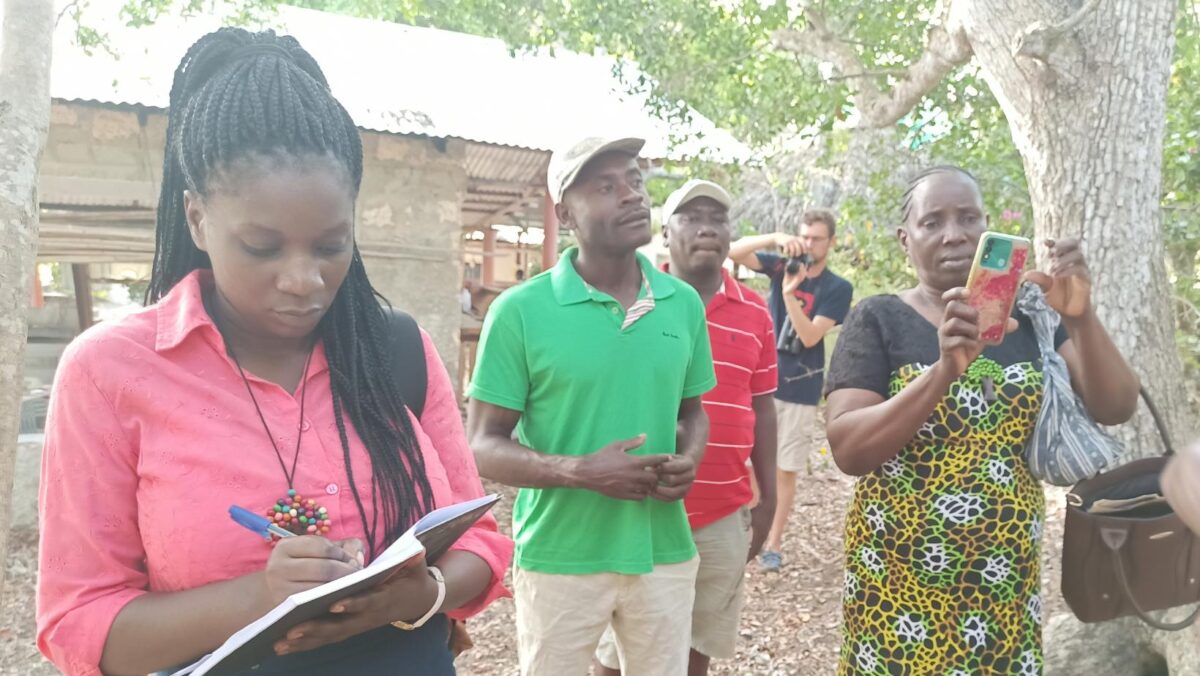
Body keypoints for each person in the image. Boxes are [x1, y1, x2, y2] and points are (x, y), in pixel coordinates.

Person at [36, 28, 511, 676]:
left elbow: (479, 542)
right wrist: (260, 597)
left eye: (329, 245)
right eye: (262, 247)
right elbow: (78, 627)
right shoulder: (111, 373)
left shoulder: (394, 349)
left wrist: (420, 592)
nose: (303, 280)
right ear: (197, 218)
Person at [824, 166, 1139, 673]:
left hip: (1002, 578)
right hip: (899, 580)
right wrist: (945, 371)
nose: (954, 233)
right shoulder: (878, 317)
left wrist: (1081, 317)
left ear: (989, 226)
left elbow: (1117, 406)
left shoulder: (1033, 317)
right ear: (906, 239)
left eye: (968, 218)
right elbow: (848, 448)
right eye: (933, 222)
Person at [467, 136, 715, 675]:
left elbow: (693, 411)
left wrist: (690, 459)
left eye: (635, 181)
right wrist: (580, 471)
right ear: (565, 212)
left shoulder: (682, 304)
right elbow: (482, 445)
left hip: (664, 550)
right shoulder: (520, 313)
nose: (632, 196)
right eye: (606, 186)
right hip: (561, 556)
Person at [594, 179, 778, 676]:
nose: (706, 229)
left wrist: (770, 499)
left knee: (698, 646)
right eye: (691, 217)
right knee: (618, 652)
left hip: (722, 513)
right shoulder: (633, 302)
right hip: (642, 509)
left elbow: (761, 407)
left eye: (717, 218)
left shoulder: (755, 311)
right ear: (666, 232)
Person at [728, 209, 852, 571]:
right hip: (761, 381)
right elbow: (732, 252)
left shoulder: (837, 287)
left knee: (785, 469)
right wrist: (775, 239)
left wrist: (787, 297)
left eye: (817, 238)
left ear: (831, 242)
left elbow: (812, 334)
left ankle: (774, 542)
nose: (809, 244)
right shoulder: (782, 264)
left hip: (800, 384)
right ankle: (747, 529)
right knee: (748, 461)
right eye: (805, 236)